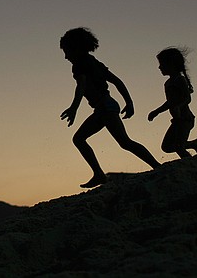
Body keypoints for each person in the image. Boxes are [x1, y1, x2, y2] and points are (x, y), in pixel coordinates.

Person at [59, 27, 160, 188]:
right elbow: (117, 81)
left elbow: (82, 86)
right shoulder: (94, 62)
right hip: (106, 107)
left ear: (76, 49)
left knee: (122, 142)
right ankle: (99, 174)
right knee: (87, 140)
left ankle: (157, 167)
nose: (65, 57)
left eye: (67, 51)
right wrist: (129, 102)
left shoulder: (79, 64)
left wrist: (74, 108)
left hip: (105, 108)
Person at [148, 47, 197, 158]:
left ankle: (190, 163)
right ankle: (194, 144)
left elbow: (187, 98)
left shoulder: (180, 80)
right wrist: (156, 112)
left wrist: (179, 106)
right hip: (176, 120)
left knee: (179, 147)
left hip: (185, 119)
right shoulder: (167, 83)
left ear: (171, 64)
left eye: (162, 64)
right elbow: (169, 102)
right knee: (167, 147)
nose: (159, 67)